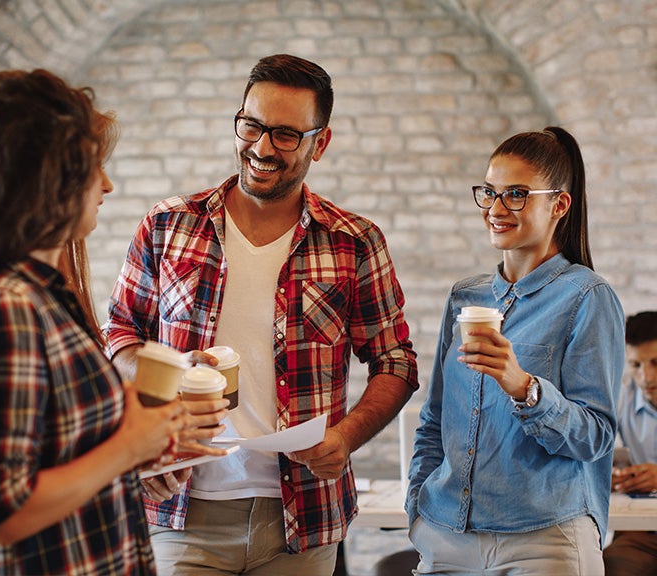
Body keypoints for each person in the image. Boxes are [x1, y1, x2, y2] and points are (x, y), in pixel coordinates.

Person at [0, 69, 227, 575]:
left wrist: (143, 454)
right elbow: (3, 509)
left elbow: (56, 456)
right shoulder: (5, 310)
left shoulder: (41, 298)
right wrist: (129, 446)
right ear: (46, 177)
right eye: (94, 167)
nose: (108, 184)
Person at [106, 53, 419, 575]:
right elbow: (117, 337)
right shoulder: (167, 226)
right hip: (180, 509)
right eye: (251, 126)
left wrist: (346, 437)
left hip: (303, 518)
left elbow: (396, 361)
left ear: (321, 143)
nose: (261, 148)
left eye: (286, 135)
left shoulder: (355, 242)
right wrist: (159, 405)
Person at [405, 127, 625, 575]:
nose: (497, 209)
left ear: (559, 204)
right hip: (448, 535)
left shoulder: (587, 298)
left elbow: (597, 435)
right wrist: (418, 505)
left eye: (517, 195)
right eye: (489, 192)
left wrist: (523, 386)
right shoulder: (465, 297)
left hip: (544, 539)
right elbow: (435, 418)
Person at [604, 311, 657, 575]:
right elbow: (591, 446)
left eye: (656, 363)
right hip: (642, 534)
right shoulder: (622, 398)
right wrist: (609, 474)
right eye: (636, 365)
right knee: (609, 566)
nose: (646, 377)